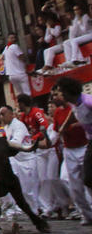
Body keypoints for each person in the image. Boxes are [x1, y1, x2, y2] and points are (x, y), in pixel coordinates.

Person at [52, 77, 92, 223]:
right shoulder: (73, 103)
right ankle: (87, 215)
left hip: (87, 144)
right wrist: (65, 126)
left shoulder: (88, 101)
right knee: (76, 185)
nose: (60, 95)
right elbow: (73, 113)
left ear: (69, 91)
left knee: (88, 178)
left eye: (61, 92)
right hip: (87, 144)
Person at [3, 32, 31, 98]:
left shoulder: (6, 48)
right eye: (11, 38)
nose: (13, 39)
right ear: (8, 39)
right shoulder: (14, 46)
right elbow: (21, 56)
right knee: (27, 93)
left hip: (11, 75)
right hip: (20, 73)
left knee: (19, 93)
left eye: (14, 38)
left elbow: (2, 57)